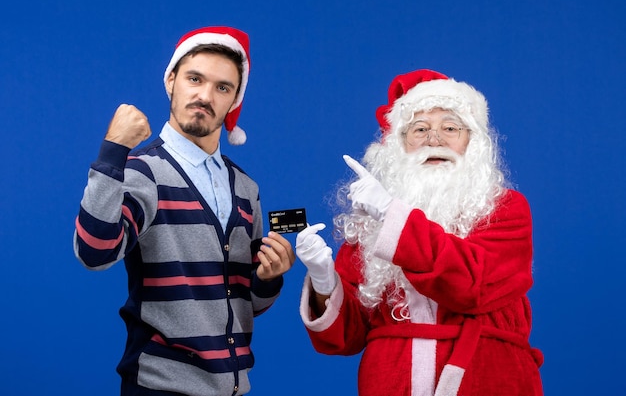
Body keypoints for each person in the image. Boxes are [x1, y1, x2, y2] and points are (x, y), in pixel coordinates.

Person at [73, 26, 295, 396]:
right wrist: (114, 149)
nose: (205, 96)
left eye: (222, 87)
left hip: (232, 387)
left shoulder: (245, 187)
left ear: (233, 101)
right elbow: (93, 252)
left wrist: (268, 277)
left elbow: (248, 304)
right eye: (195, 78)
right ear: (172, 81)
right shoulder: (142, 170)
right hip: (160, 387)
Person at [295, 69, 543, 396]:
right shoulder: (370, 224)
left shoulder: (506, 209)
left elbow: (471, 286)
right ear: (399, 146)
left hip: (488, 378)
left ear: (473, 141)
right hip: (390, 382)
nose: (434, 139)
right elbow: (348, 336)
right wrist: (325, 282)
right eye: (420, 129)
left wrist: (391, 213)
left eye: (450, 128)